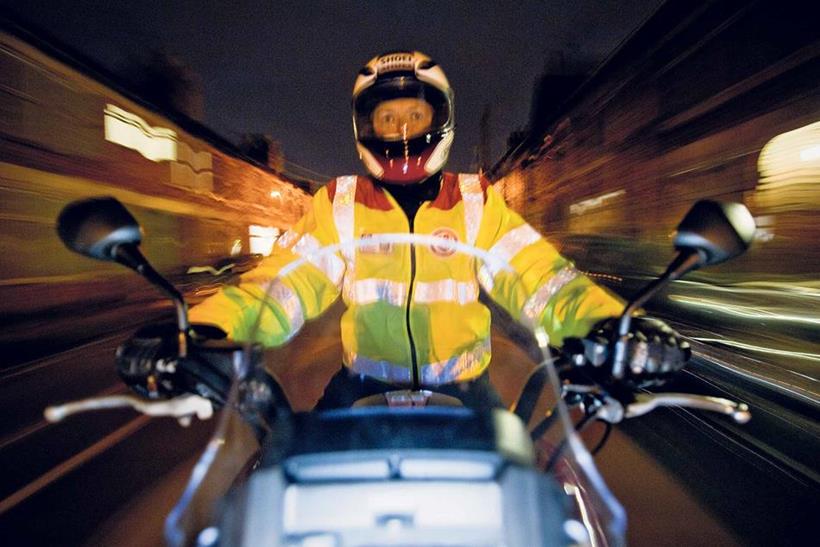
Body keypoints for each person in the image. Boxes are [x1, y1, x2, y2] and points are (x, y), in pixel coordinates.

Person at [121, 51, 689, 409]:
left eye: (413, 116)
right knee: (274, 483)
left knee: (537, 505)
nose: (399, 130)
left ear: (438, 120)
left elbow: (542, 281)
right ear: (363, 127)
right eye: (385, 119)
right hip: (361, 390)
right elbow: (276, 289)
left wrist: (619, 328)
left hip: (467, 396)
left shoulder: (476, 202)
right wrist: (193, 332)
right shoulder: (338, 203)